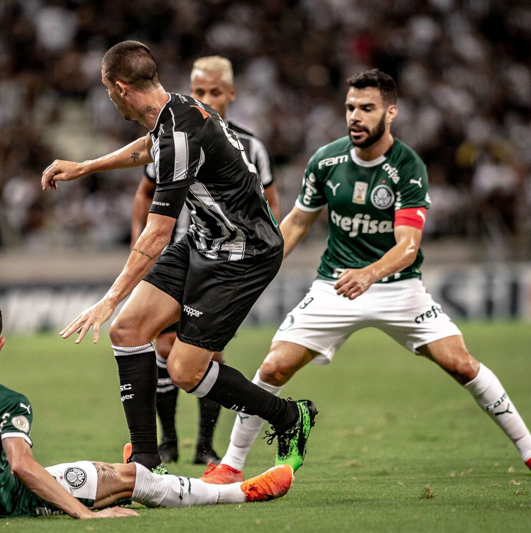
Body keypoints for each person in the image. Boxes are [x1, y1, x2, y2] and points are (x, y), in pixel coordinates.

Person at [201, 69, 531, 484]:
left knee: (462, 365)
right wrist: (257, 267)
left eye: (367, 108)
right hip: (335, 286)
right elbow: (299, 222)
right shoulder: (327, 160)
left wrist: (370, 274)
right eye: (350, 108)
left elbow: (408, 245)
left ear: (390, 112)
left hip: (399, 288)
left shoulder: (407, 166)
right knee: (273, 367)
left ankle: (528, 450)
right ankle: (231, 466)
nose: (355, 116)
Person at [40, 41, 317, 474]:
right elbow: (150, 147)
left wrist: (109, 297)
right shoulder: (173, 110)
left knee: (185, 370)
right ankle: (147, 463)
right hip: (205, 239)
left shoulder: (182, 134)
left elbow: (157, 232)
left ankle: (289, 418)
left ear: (119, 88)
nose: (108, 99)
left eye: (106, 91)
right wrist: (85, 166)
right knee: (128, 330)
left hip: (244, 253)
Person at [0, 296, 294, 522]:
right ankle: (237, 492)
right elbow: (23, 469)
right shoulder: (5, 402)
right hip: (13, 504)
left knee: (120, 477)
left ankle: (131, 479)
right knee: (134, 478)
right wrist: (86, 514)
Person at [130, 56, 281, 465]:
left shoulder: (251, 146)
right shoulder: (176, 133)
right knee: (157, 339)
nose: (207, 97)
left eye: (215, 91)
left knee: (202, 357)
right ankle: (163, 443)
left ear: (231, 94)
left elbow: (269, 206)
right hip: (186, 244)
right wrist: (139, 248)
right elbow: (147, 189)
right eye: (200, 91)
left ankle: (204, 445)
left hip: (232, 258)